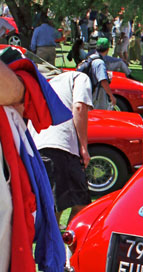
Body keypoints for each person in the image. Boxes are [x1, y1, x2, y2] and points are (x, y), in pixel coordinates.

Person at [33, 71, 92, 225]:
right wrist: (84, 147)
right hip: (59, 146)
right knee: (75, 204)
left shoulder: (48, 82)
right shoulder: (80, 77)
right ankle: (61, 245)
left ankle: (56, 242)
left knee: (57, 202)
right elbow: (79, 107)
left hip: (38, 146)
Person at [90, 37, 116, 110]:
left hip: (91, 91)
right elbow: (103, 81)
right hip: (98, 94)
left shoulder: (91, 57)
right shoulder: (100, 63)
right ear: (107, 49)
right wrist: (111, 96)